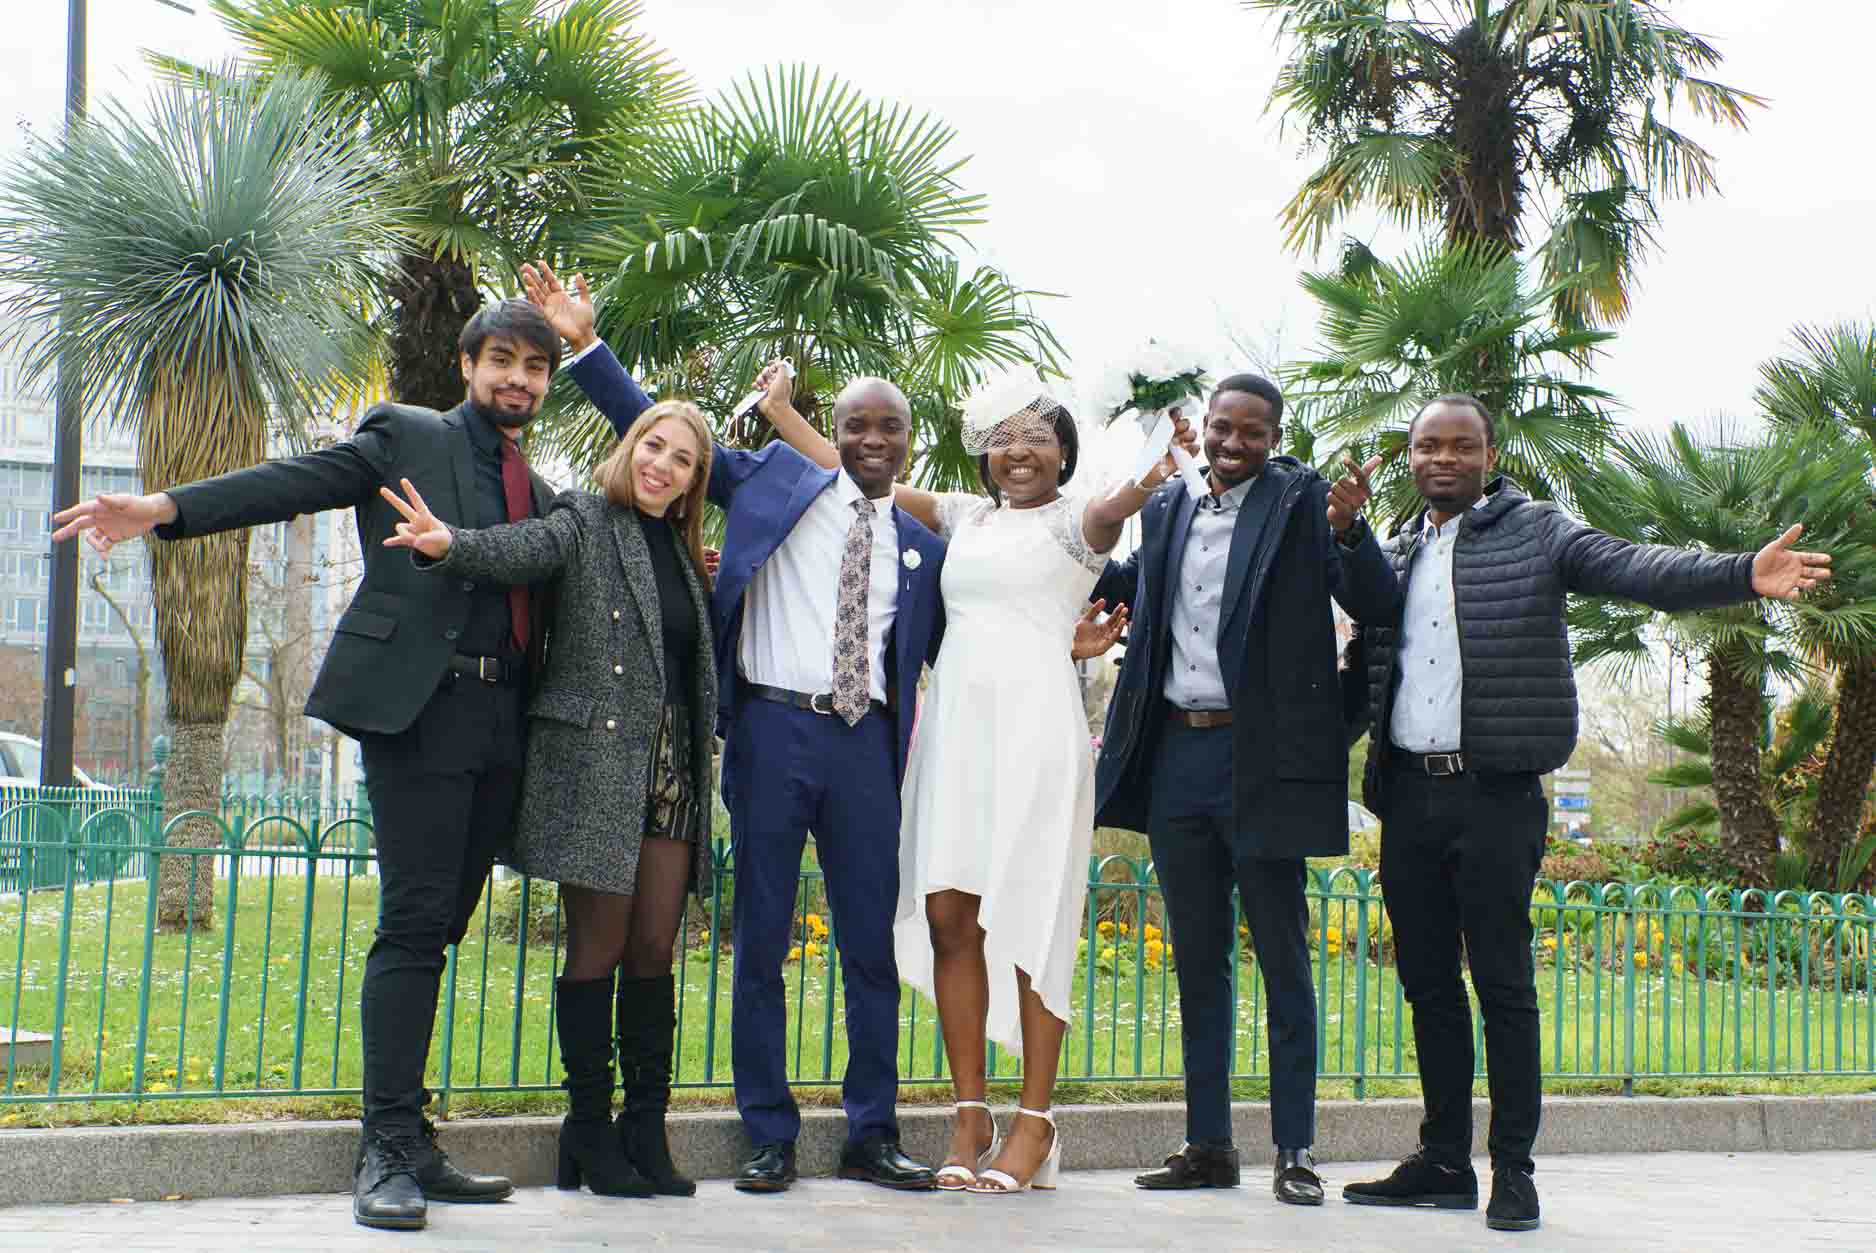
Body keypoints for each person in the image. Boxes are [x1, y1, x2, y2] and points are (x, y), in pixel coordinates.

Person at [49, 300, 588, 1230]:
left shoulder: (536, 491)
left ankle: (412, 1138)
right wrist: (166, 508)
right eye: (502, 360)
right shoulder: (407, 434)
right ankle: (383, 1147)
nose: (519, 381)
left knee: (441, 927)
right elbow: (290, 482)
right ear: (467, 364)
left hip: (500, 726)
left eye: (536, 368)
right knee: (415, 922)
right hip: (416, 713)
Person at [1343, 394, 1831, 1233]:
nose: (1443, 459)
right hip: (1409, 795)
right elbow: (1355, 645)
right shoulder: (1394, 552)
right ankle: (1444, 1160)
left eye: (1461, 446)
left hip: (1496, 793)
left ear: (1489, 456)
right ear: (1412, 456)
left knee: (1503, 984)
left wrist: (1741, 572)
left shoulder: (1538, 531)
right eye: (1428, 446)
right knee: (1427, 984)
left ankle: (1515, 1172)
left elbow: (1633, 565)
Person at [521, 263, 947, 1194]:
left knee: (869, 942)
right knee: (760, 938)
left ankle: (873, 1130)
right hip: (773, 733)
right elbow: (657, 432)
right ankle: (769, 1132)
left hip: (867, 744)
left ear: (910, 444)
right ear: (830, 433)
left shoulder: (926, 547)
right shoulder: (770, 485)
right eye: (856, 425)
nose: (872, 440)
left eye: (890, 428)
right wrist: (584, 343)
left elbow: (977, 624)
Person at [759, 366, 1173, 1194]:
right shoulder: (962, 517)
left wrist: (1150, 471)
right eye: (1006, 437)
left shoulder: (1076, 526)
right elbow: (853, 474)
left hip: (1036, 731)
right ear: (985, 454)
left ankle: (1035, 1123)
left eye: (1039, 437)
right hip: (954, 730)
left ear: (1064, 453)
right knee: (952, 912)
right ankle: (969, 1111)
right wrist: (778, 412)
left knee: (1028, 913)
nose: (1020, 450)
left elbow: (1116, 504)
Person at [379, 397, 718, 1201]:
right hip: (593, 756)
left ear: (694, 480)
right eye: (652, 445)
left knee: (655, 948)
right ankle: (590, 1131)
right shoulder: (585, 516)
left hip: (668, 763)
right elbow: (523, 548)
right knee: (597, 947)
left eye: (680, 459)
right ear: (630, 444)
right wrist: (449, 543)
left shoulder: (681, 548)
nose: (660, 465)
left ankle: (645, 1126)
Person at [1088, 375, 1400, 1208]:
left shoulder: (1301, 501)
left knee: (1284, 960)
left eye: (1251, 433)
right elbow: (1127, 594)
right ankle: (1208, 1143)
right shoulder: (1166, 509)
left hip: (1265, 761)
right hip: (1178, 759)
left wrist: (1352, 528)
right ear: (1204, 428)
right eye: (1222, 428)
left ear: (1273, 435)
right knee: (1198, 963)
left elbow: (1373, 600)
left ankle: (1294, 1148)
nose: (1233, 444)